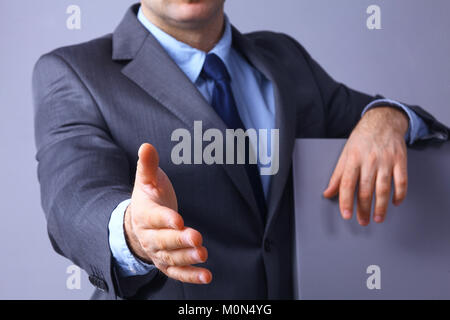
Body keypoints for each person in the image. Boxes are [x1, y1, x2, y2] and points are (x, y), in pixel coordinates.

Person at [32, 1, 449, 299]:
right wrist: (133, 232)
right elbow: (73, 198)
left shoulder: (284, 58)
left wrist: (385, 118)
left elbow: (404, 124)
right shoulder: (74, 72)